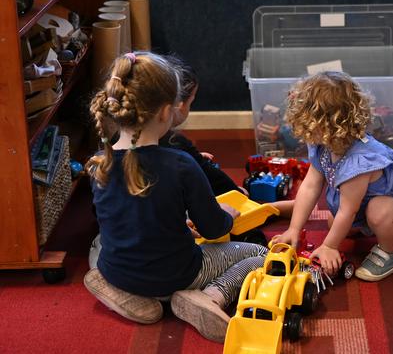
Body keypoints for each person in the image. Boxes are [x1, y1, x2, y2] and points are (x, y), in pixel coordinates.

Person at [83, 52, 267, 342]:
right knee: (260, 256)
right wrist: (227, 216)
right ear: (166, 112)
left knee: (99, 243)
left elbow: (122, 215)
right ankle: (209, 296)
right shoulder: (181, 164)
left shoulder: (97, 163)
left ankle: (128, 294)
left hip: (119, 271)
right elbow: (213, 229)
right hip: (181, 274)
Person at [271, 71, 393, 282]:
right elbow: (310, 186)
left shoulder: (359, 161)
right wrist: (294, 228)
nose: (303, 130)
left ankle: (390, 252)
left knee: (376, 212)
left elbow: (349, 209)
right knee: (333, 221)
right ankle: (369, 227)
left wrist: (329, 246)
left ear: (328, 125)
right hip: (365, 202)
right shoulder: (323, 144)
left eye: (307, 122)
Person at [162, 55, 242, 196]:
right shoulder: (176, 143)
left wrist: (193, 157)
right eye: (191, 102)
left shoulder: (117, 138)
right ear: (179, 106)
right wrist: (237, 192)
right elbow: (214, 179)